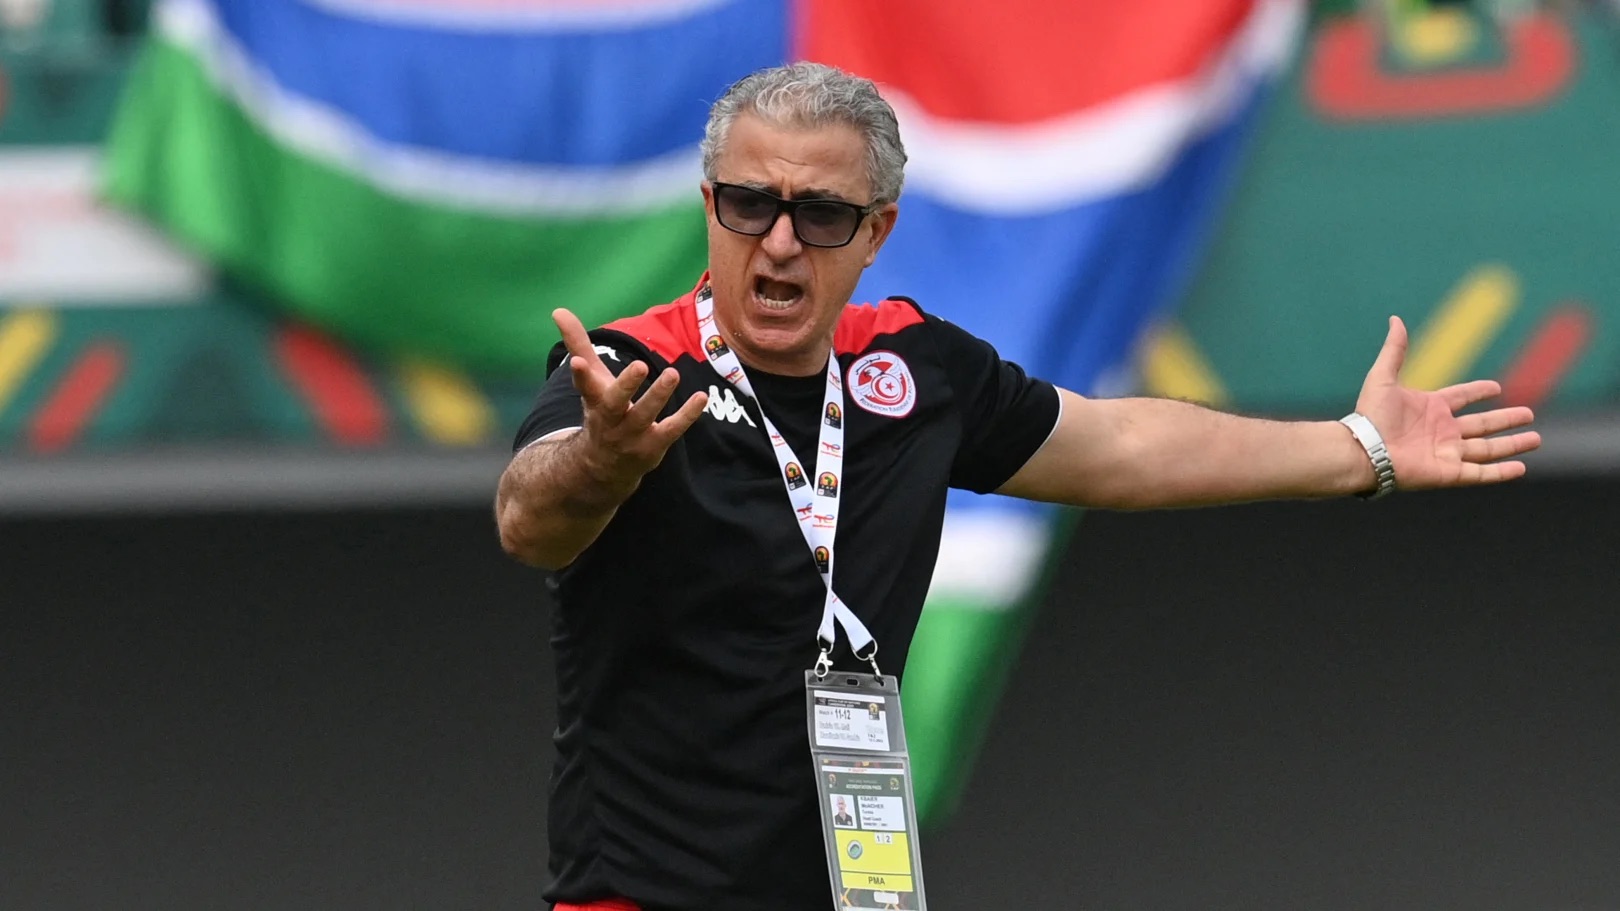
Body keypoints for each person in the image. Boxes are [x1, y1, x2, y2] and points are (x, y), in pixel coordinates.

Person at [494, 62, 1539, 911]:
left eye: (820, 215)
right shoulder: (632, 370)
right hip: (637, 896)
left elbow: (1120, 446)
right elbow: (529, 519)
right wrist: (602, 462)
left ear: (877, 232)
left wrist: (1358, 447)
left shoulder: (916, 367)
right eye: (749, 204)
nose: (778, 241)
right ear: (710, 207)